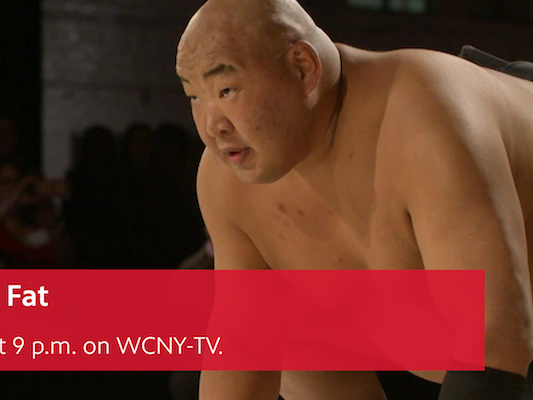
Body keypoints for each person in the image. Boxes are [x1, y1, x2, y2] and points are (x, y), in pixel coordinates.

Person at [175, 0, 533, 399]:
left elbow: (497, 338)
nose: (212, 126)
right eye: (195, 97)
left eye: (226, 91)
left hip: (509, 346)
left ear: (303, 69)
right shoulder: (226, 180)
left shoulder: (422, 115)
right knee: (277, 322)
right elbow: (242, 347)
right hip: (467, 355)